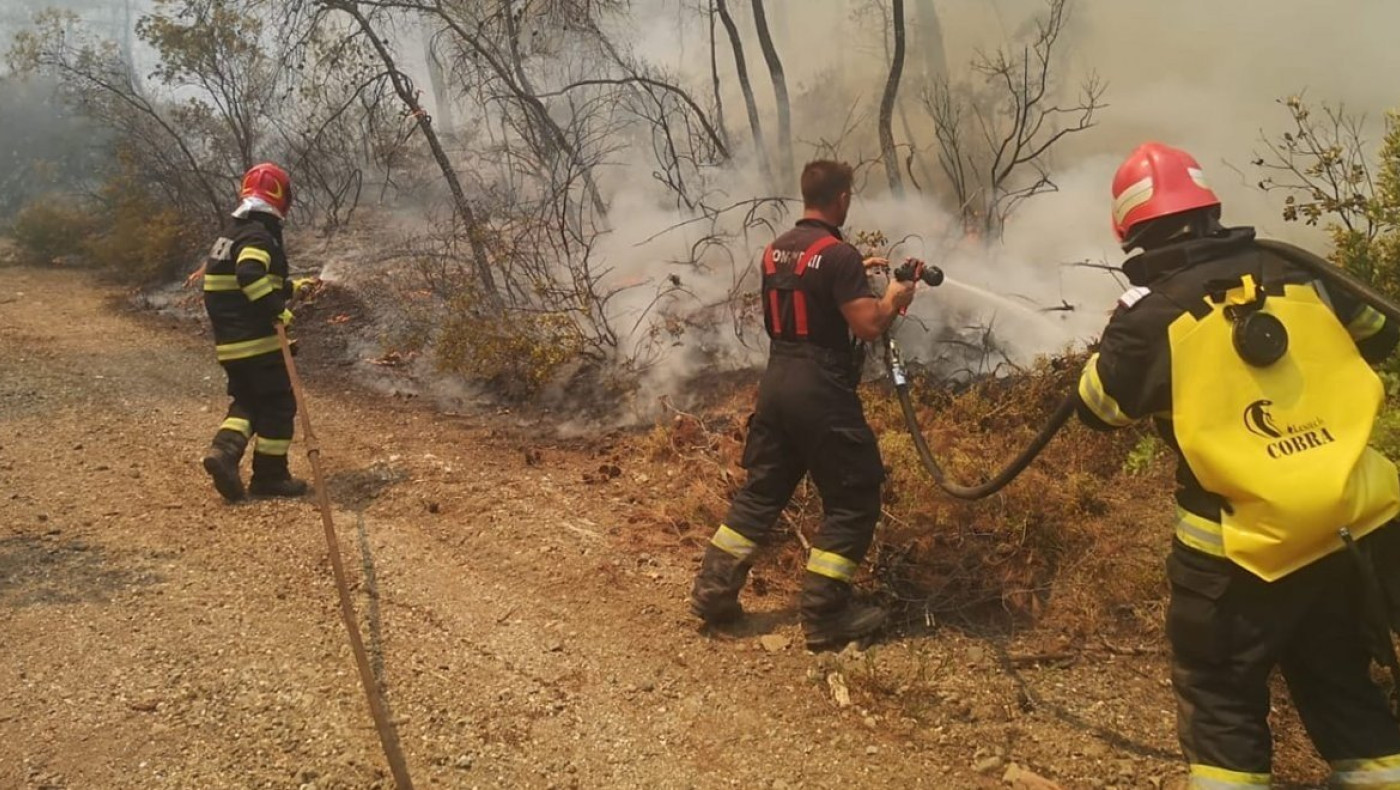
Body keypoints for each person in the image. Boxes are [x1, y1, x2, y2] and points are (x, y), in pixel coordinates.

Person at [1076, 142, 1400, 789]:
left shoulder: (1151, 314)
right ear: (1208, 207)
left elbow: (1098, 408)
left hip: (1239, 558)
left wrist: (1121, 327)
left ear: (1128, 229)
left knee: (1222, 702)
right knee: (1341, 681)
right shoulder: (1298, 271)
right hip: (1352, 528)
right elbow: (1383, 332)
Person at [689, 160, 918, 651]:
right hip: (821, 390)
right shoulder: (837, 256)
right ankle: (825, 614)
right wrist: (894, 296)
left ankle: (713, 593)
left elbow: (810, 285)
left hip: (777, 383)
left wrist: (859, 271)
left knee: (762, 492)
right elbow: (869, 326)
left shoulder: (776, 252)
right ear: (842, 199)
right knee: (855, 496)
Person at [200, 162, 308, 502]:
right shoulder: (259, 236)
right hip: (257, 341)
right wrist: (278, 309)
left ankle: (224, 453)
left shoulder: (232, 233)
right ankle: (270, 476)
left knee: (248, 399)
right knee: (278, 403)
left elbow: (239, 279)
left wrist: (290, 288)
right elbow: (249, 274)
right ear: (280, 198)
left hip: (231, 344)